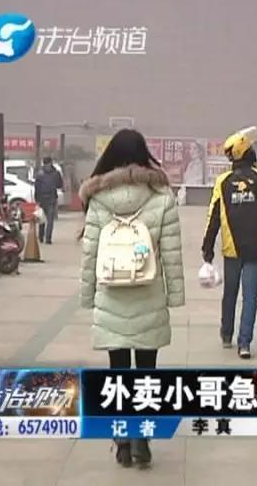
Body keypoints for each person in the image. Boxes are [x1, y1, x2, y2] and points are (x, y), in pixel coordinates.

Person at [78, 128, 185, 468]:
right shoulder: (161, 196)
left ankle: (122, 441)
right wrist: (175, 296)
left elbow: (90, 254)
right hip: (148, 295)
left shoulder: (98, 198)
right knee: (147, 374)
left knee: (118, 374)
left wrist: (87, 295)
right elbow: (171, 254)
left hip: (111, 297)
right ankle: (142, 439)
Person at [201, 126, 257, 359]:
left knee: (230, 293)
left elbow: (213, 216)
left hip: (231, 247)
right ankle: (244, 343)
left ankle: (227, 333)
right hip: (256, 247)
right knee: (250, 296)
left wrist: (207, 248)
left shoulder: (223, 181)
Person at [34, 157, 63, 244]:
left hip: (50, 199)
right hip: (44, 199)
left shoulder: (54, 173)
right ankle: (42, 237)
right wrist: (37, 200)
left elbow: (59, 184)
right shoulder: (41, 174)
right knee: (43, 219)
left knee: (49, 220)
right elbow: (37, 188)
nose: (48, 165)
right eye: (47, 164)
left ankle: (47, 238)